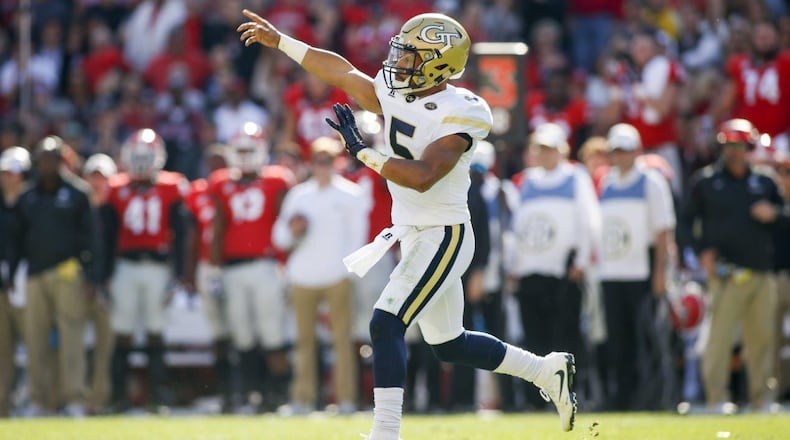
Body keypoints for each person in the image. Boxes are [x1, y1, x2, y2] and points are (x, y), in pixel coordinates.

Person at [238, 10, 577, 437]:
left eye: (410, 56)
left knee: (385, 322)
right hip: (413, 231)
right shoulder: (399, 90)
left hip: (444, 233)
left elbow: (422, 176)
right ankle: (546, 371)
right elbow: (341, 71)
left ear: (438, 64)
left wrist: (364, 153)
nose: (397, 62)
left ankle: (385, 432)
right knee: (450, 343)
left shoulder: (464, 110)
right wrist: (282, 42)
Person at [678, 119, 786, 412]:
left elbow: (785, 219)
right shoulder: (706, 182)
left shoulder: (764, 182)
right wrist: (701, 253)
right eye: (728, 146)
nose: (733, 152)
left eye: (739, 146)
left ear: (748, 148)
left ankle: (762, 398)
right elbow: (685, 223)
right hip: (725, 273)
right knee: (719, 340)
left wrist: (773, 213)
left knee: (762, 340)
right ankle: (716, 398)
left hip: (762, 273)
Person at [507, 123, 600, 410]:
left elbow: (590, 221)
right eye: (540, 149)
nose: (544, 155)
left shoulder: (576, 177)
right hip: (531, 273)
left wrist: (582, 260)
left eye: (549, 149)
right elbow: (516, 228)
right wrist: (514, 266)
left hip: (564, 273)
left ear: (562, 150)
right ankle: (537, 399)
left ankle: (571, 393)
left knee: (566, 336)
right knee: (534, 338)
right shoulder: (526, 181)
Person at [273, 136, 368, 414]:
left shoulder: (351, 194)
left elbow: (357, 238)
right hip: (303, 276)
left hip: (337, 276)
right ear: (311, 163)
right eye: (317, 161)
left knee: (342, 342)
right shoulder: (299, 195)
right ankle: (302, 400)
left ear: (336, 162)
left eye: (327, 160)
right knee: (303, 343)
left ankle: (346, 400)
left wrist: (347, 272)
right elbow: (279, 238)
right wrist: (293, 231)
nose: (322, 166)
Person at [9, 137, 98, 417]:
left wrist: (92, 276)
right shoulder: (28, 196)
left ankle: (73, 400)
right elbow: (16, 240)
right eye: (42, 159)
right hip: (35, 274)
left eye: (52, 158)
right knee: (35, 341)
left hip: (68, 274)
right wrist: (13, 273)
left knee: (72, 339)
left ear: (61, 160)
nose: (47, 164)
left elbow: (91, 238)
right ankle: (39, 401)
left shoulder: (77, 193)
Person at [208, 122, 293, 412]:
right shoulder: (220, 182)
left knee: (272, 334)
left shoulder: (277, 180)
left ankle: (277, 395)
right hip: (233, 268)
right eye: (240, 150)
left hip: (265, 264)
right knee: (242, 335)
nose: (244, 156)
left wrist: (285, 266)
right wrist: (215, 269)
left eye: (249, 150)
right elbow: (218, 227)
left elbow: (284, 224)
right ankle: (250, 393)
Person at [103, 128, 188, 411]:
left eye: (145, 156)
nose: (141, 162)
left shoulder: (171, 186)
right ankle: (118, 397)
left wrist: (177, 274)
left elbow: (180, 233)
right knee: (122, 332)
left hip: (157, 266)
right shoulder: (115, 187)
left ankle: (158, 396)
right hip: (126, 265)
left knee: (155, 331)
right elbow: (107, 235)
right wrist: (105, 274)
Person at [597, 123, 677, 411]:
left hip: (641, 275)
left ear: (637, 151)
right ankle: (623, 398)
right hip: (612, 274)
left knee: (648, 340)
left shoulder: (651, 181)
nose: (619, 156)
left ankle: (654, 398)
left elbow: (663, 230)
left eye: (624, 150)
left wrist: (660, 273)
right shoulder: (606, 182)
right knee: (618, 342)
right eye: (614, 151)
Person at [82, 153, 120, 415]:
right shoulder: (77, 207)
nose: (97, 183)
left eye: (102, 178)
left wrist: (106, 279)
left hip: (109, 284)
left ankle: (100, 398)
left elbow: (117, 249)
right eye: (93, 177)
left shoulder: (115, 211)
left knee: (106, 347)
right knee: (72, 345)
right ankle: (76, 398)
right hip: (79, 284)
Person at [0, 146, 30, 417]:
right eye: (5, 173)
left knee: (35, 344)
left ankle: (35, 400)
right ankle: (3, 405)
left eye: (14, 173)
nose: (10, 178)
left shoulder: (32, 201)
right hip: (2, 283)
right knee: (3, 349)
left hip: (26, 280)